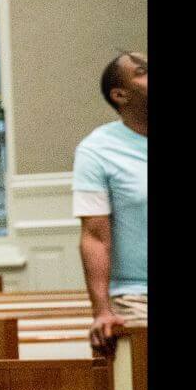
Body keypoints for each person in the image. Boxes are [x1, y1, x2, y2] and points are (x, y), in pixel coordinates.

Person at [73, 51, 148, 353]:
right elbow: (94, 236)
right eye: (143, 72)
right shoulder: (97, 151)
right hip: (137, 299)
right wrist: (102, 310)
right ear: (121, 95)